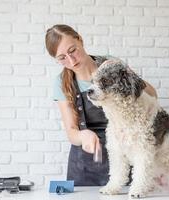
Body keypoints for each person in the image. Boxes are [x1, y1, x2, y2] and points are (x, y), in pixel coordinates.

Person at [45, 24, 157, 186]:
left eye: (72, 51)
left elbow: (152, 93)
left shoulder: (111, 64)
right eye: (62, 58)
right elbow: (72, 132)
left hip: (125, 156)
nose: (71, 60)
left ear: (80, 40)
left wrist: (124, 72)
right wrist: (83, 135)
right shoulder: (61, 83)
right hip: (85, 167)